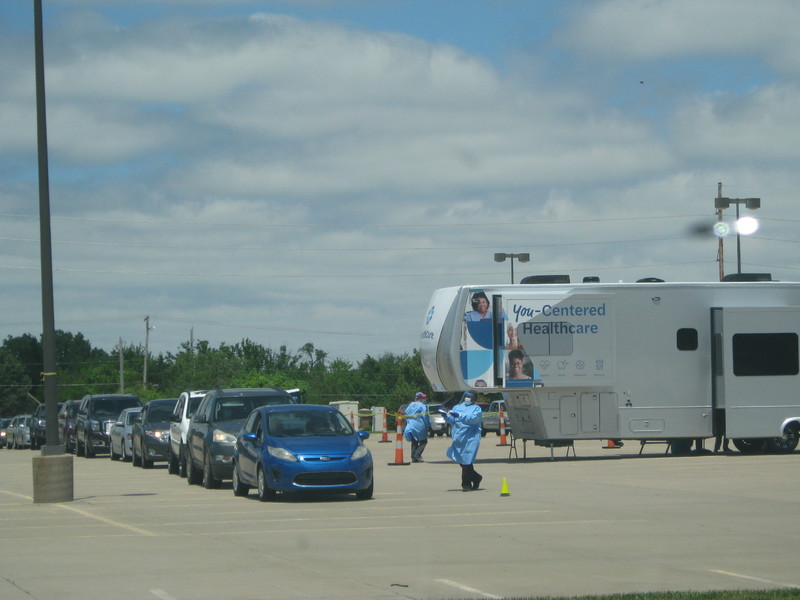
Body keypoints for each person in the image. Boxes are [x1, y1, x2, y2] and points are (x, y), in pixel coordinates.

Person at [444, 390, 484, 491]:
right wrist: (446, 417)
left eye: (470, 397)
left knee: (467, 460)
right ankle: (476, 477)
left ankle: (466, 484)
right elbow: (453, 420)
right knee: (461, 460)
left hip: (471, 437)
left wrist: (461, 416)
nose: (468, 398)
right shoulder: (457, 407)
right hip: (459, 437)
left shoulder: (477, 409)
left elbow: (473, 419)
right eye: (466, 396)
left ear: (474, 399)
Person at [403, 392, 431, 463]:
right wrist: (428, 425)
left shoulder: (410, 405)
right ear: (419, 398)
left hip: (410, 425)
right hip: (419, 425)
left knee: (414, 441)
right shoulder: (422, 406)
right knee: (424, 441)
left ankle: (413, 457)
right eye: (423, 398)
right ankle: (417, 455)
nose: (424, 399)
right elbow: (425, 416)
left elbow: (406, 413)